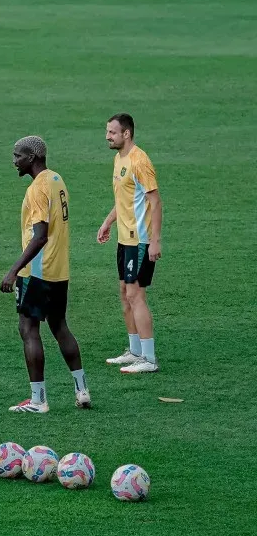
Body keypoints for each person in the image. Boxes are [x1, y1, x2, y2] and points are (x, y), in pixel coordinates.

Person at [0, 136, 91, 414]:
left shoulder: (37, 189)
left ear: (32, 158)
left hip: (37, 272)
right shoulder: (56, 180)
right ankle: (81, 389)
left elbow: (39, 236)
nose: (14, 160)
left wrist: (14, 270)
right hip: (59, 269)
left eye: (18, 155)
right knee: (59, 326)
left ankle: (38, 400)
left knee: (28, 329)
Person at [98, 113, 162, 374]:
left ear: (126, 133)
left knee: (136, 295)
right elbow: (124, 199)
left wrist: (155, 241)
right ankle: (134, 351)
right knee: (125, 294)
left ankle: (148, 358)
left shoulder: (140, 160)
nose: (107, 136)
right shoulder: (118, 158)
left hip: (140, 240)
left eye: (112, 132)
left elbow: (155, 201)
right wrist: (108, 222)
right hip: (125, 239)